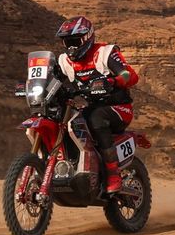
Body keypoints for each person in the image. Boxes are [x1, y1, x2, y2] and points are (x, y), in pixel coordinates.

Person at [54, 15, 139, 193]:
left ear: (86, 38)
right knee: (61, 118)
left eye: (75, 41)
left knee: (96, 117)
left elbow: (129, 75)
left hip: (118, 108)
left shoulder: (105, 53)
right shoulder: (63, 61)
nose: (71, 47)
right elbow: (52, 79)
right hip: (88, 107)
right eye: (67, 42)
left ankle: (113, 173)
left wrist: (113, 81)